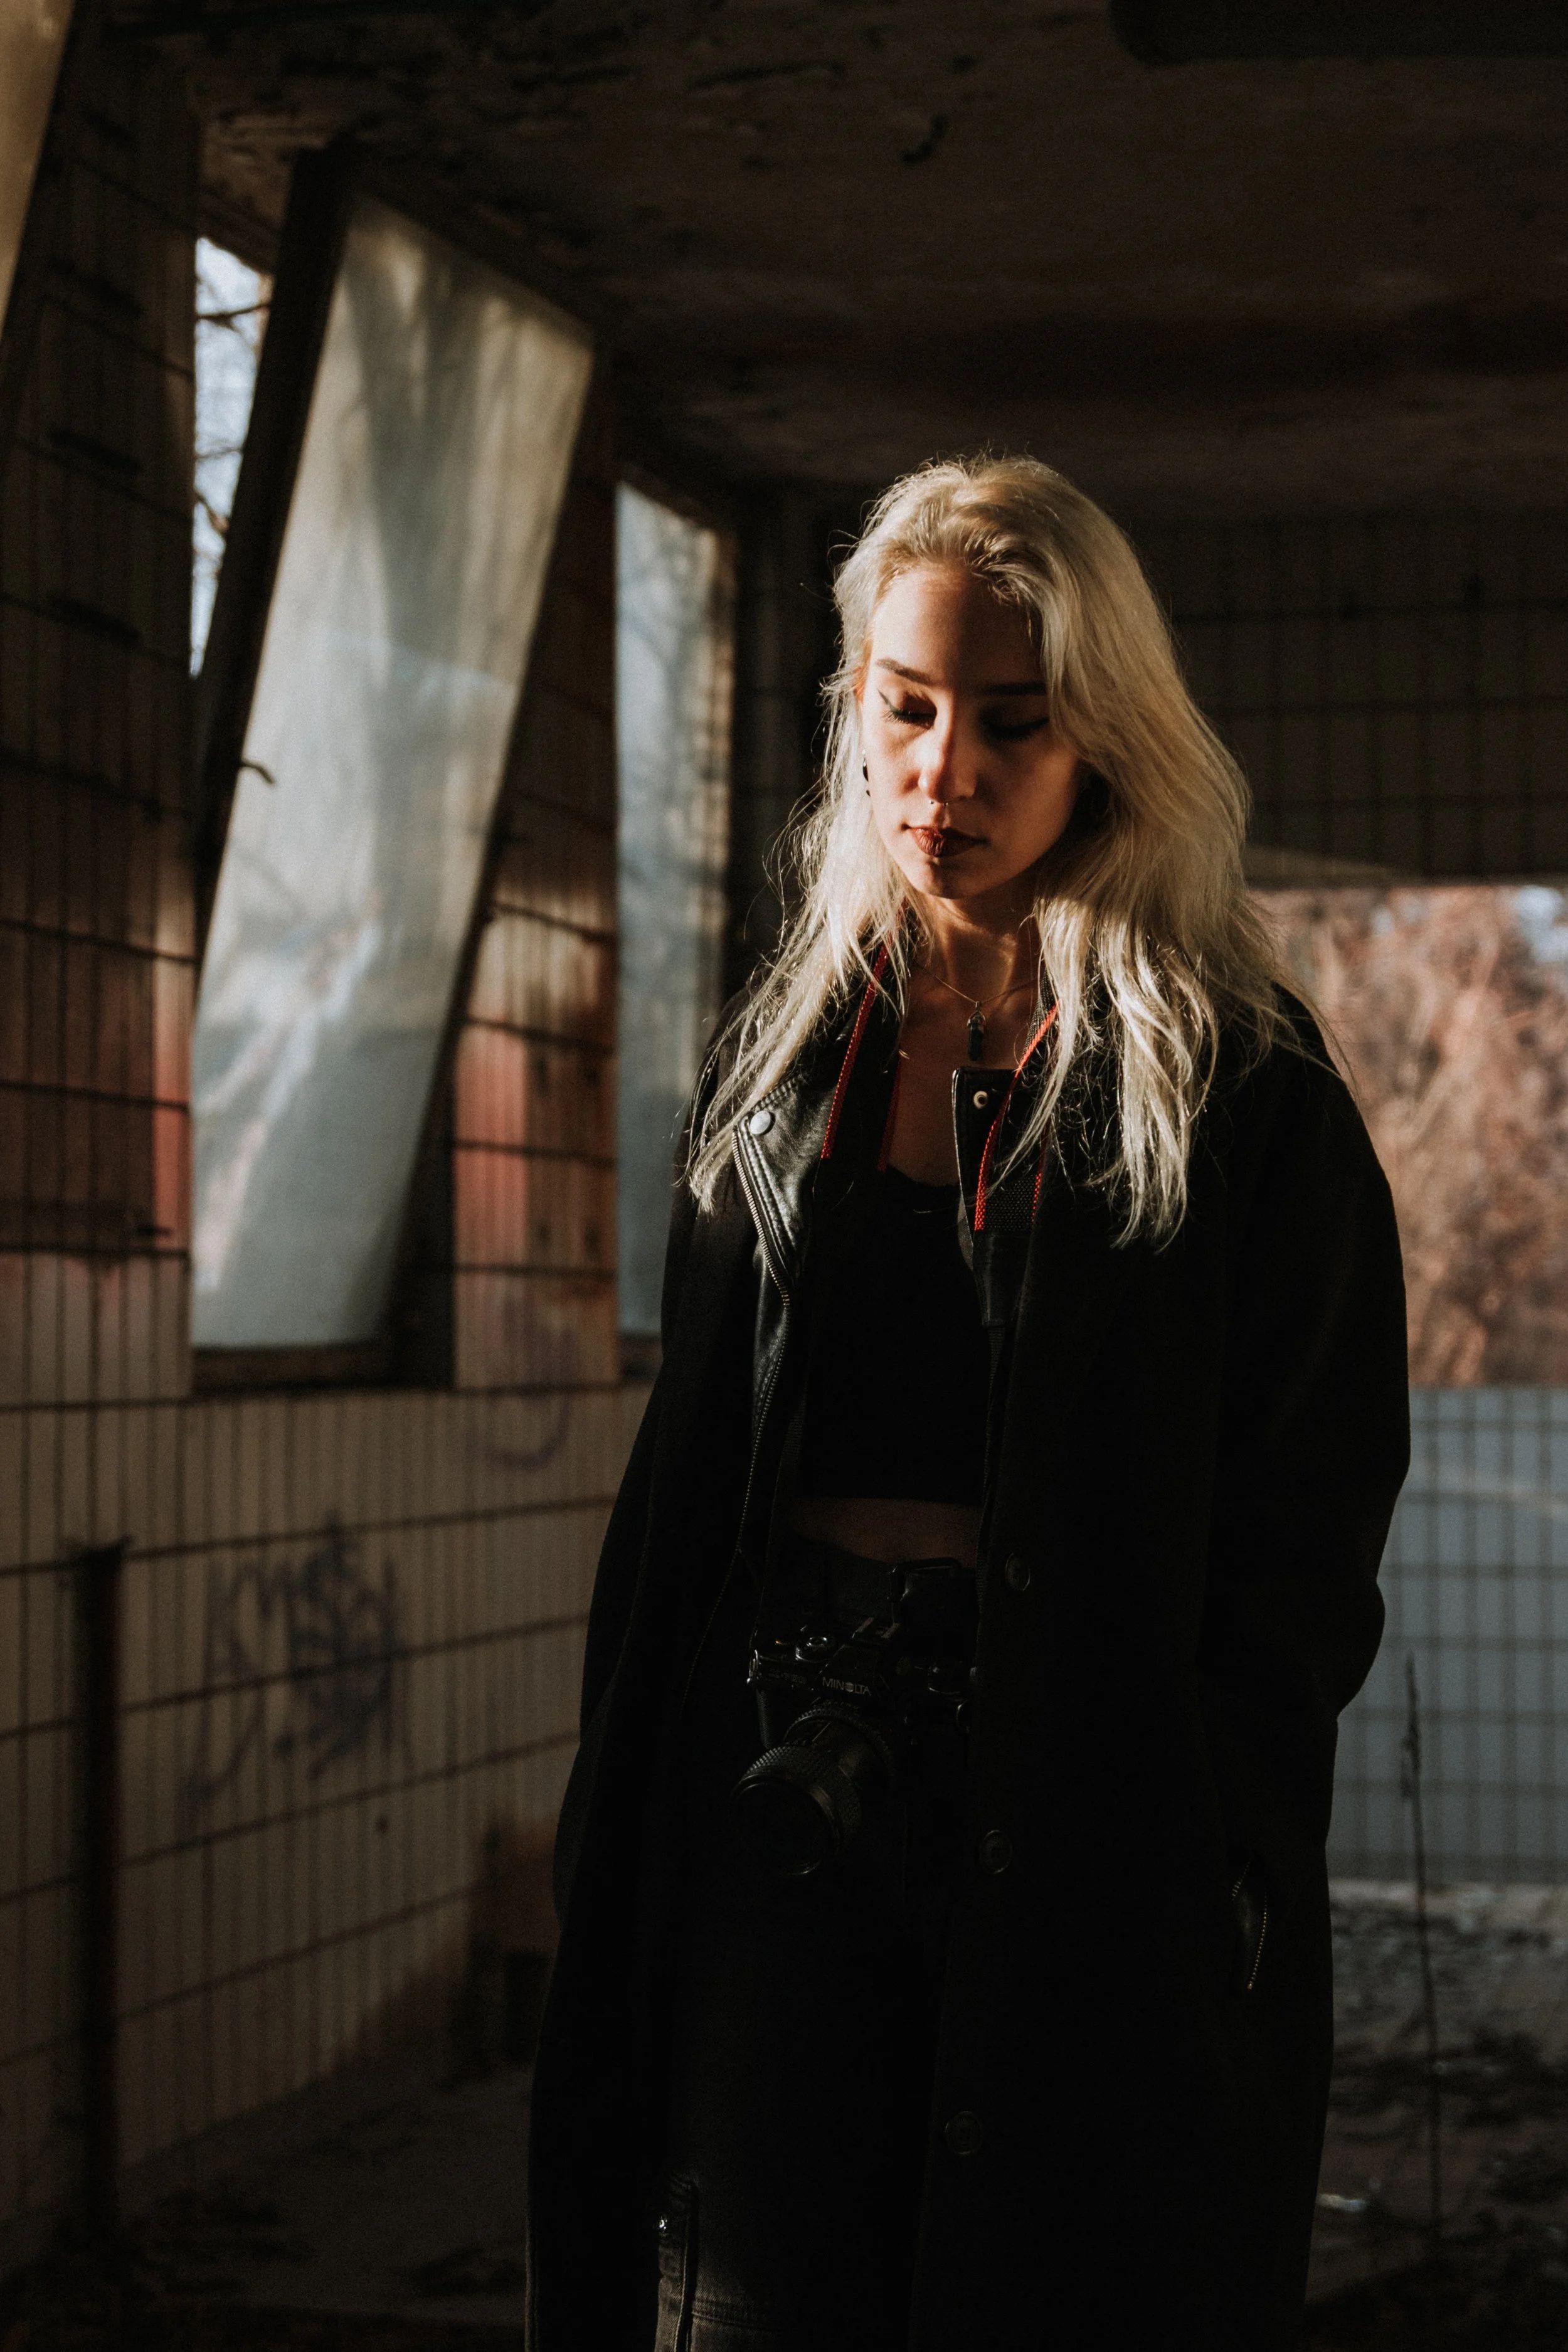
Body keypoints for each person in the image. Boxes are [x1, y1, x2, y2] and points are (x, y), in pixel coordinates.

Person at [526, 455, 1409, 2351]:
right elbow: (686, 1497)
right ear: (856, 712)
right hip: (782, 1794)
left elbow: (1305, 1537)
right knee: (762, 2290)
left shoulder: (1236, 1096)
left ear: (1105, 739)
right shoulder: (779, 1075)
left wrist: (1203, 1840)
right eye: (907, 710)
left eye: (1012, 722)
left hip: (1081, 1823)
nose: (949, 771)